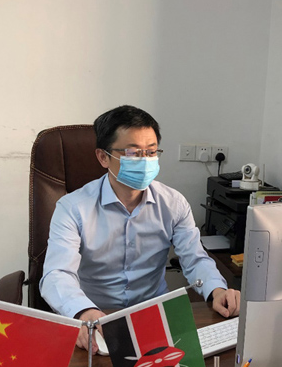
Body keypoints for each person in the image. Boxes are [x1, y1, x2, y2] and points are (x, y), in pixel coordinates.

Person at [40, 105, 241, 353]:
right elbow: (57, 274)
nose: (145, 161)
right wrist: (83, 311)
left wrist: (217, 290)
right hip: (96, 319)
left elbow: (194, 258)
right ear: (103, 157)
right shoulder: (73, 208)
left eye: (152, 152)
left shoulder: (173, 203)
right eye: (133, 153)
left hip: (154, 318)